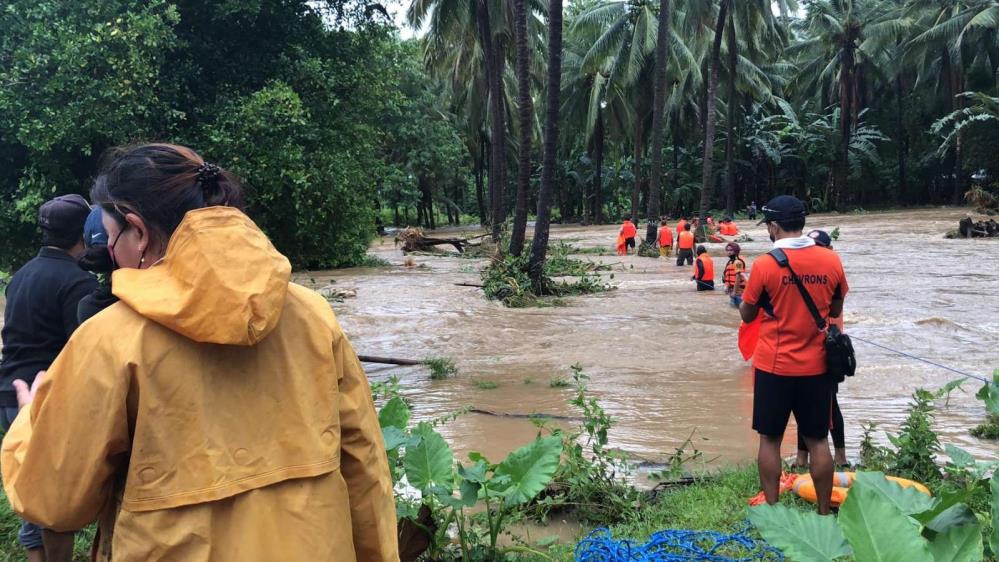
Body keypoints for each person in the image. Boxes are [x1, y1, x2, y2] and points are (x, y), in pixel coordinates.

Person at [1, 144, 399, 561]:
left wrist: (29, 422)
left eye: (111, 237)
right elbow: (365, 471)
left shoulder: (110, 339)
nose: (109, 256)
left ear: (137, 230)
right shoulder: (314, 315)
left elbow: (53, 503)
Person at [0, 194, 97, 562]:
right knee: (55, 510)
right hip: (44, 403)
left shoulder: (22, 275)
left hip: (11, 398)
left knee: (33, 499)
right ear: (86, 233)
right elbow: (87, 355)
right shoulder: (78, 284)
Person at [739, 195, 848, 516]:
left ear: (773, 226)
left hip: (774, 366)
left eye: (767, 226)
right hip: (817, 366)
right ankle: (824, 512)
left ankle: (773, 510)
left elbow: (747, 315)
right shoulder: (831, 260)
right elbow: (836, 309)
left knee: (770, 439)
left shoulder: (764, 265)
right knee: (817, 440)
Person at [795, 229, 848, 469]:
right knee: (802, 404)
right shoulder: (810, 269)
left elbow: (835, 309)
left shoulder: (831, 269)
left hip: (828, 349)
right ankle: (801, 457)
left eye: (818, 246)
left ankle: (840, 456)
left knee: (829, 404)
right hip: (806, 347)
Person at [723, 242, 747, 307]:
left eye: (731, 250)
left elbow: (738, 277)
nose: (729, 252)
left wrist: (734, 292)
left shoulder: (738, 262)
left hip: (739, 294)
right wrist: (726, 286)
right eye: (727, 250)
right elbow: (727, 277)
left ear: (736, 251)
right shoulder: (730, 262)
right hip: (733, 293)